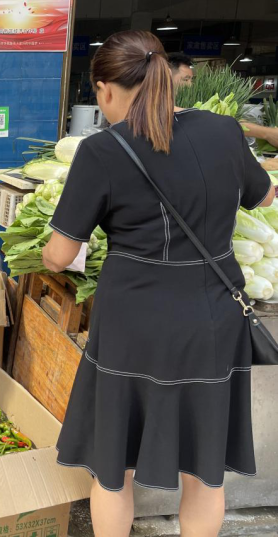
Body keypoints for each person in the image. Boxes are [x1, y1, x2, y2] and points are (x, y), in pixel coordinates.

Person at [42, 30, 274, 536]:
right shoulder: (223, 131)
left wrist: (54, 246)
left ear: (104, 90)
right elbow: (263, 196)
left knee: (112, 466)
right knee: (205, 470)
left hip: (134, 322)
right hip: (212, 318)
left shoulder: (102, 151)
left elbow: (58, 255)